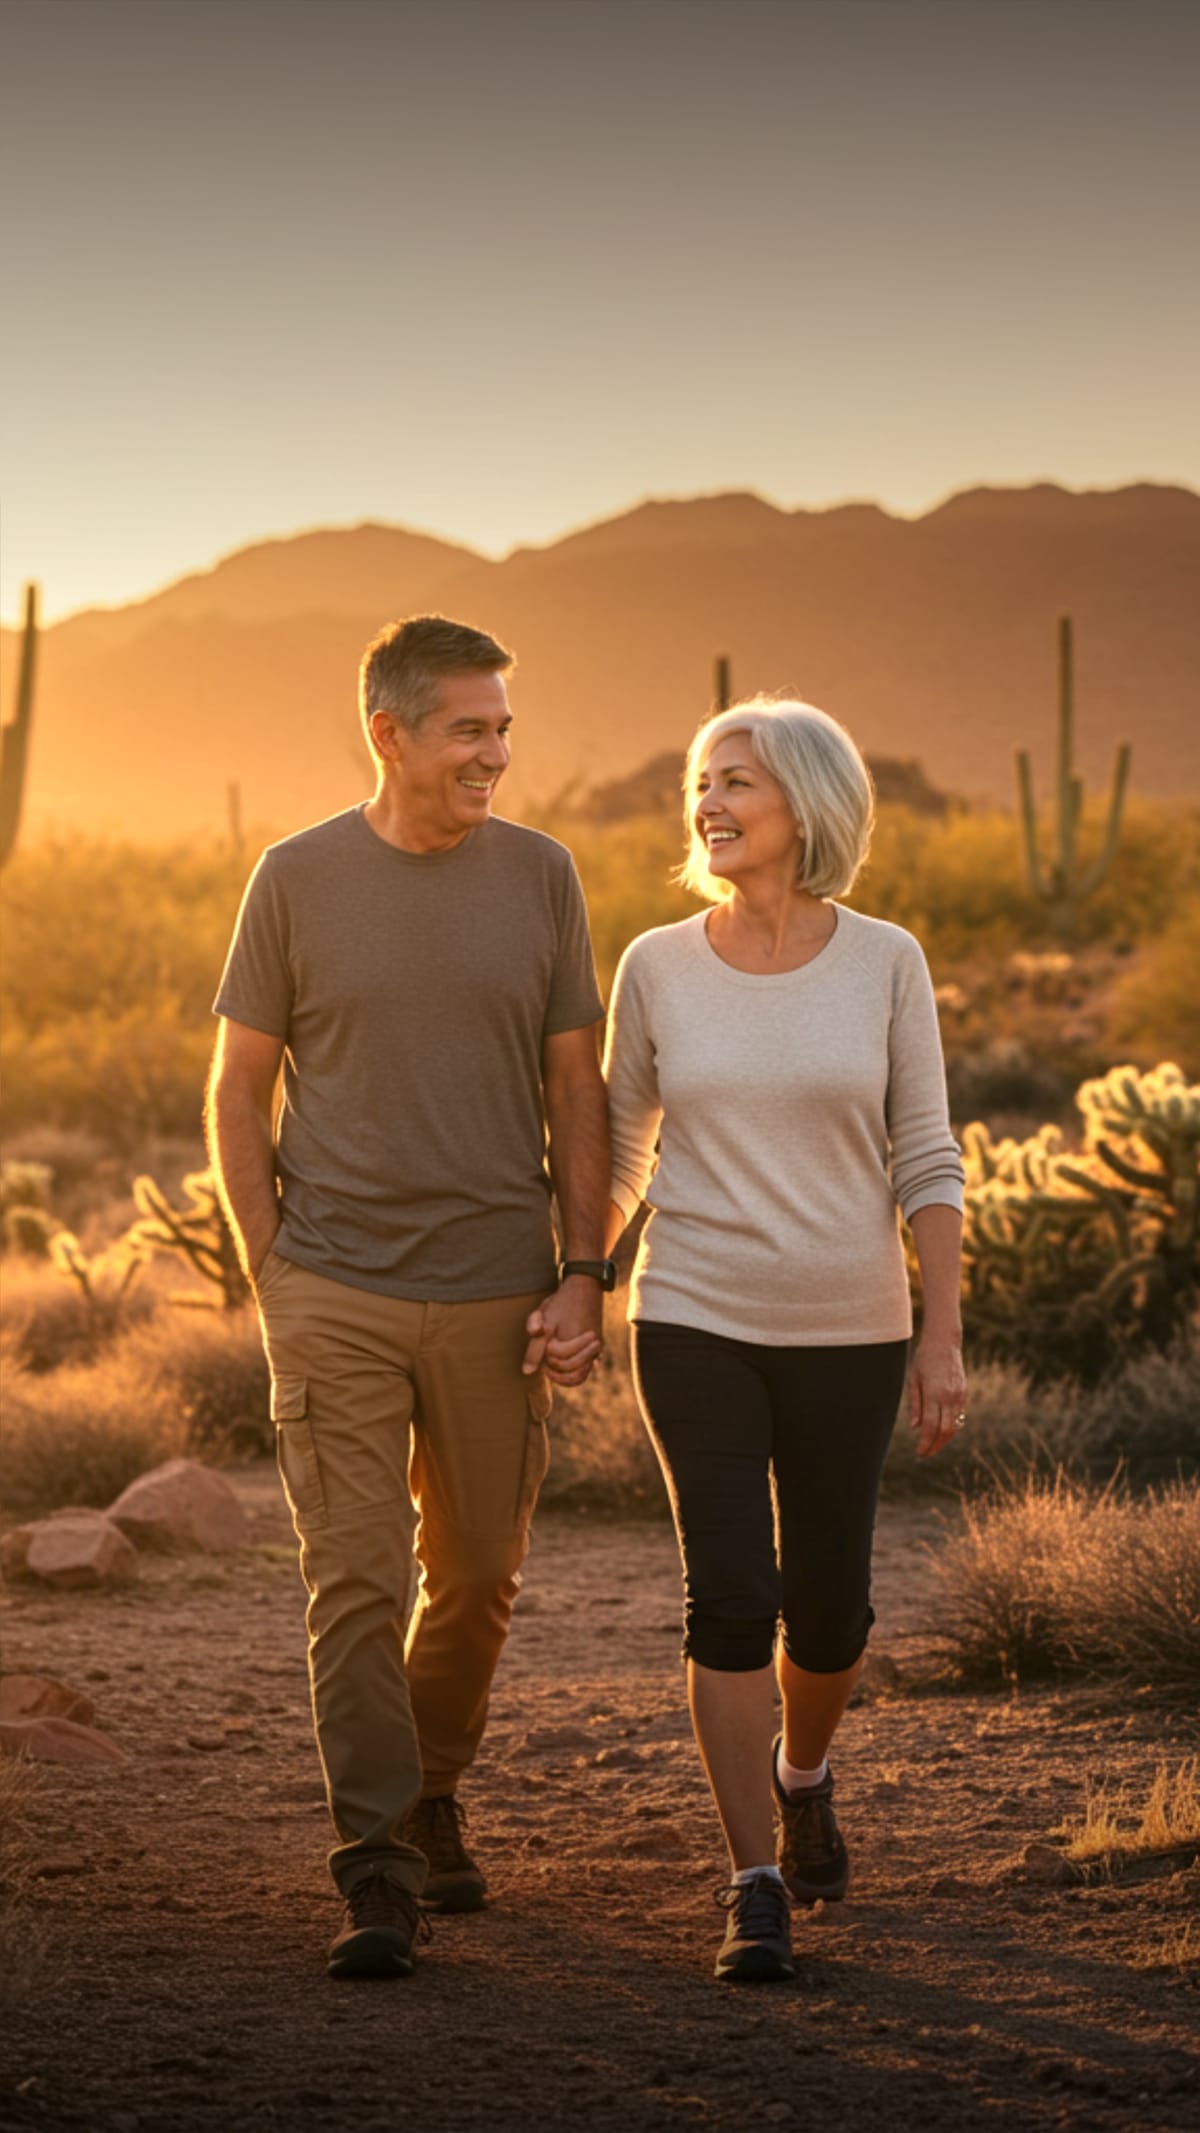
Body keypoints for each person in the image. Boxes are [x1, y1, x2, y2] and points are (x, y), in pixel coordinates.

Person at [206, 615, 612, 1980]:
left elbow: (576, 1090)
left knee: (482, 1575)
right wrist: (274, 1266)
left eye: (503, 726)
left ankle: (434, 1783)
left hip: (501, 1289)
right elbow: (236, 1087)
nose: (495, 751)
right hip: (337, 1290)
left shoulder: (543, 877)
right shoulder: (296, 878)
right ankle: (377, 1856)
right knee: (357, 1574)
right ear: (392, 733)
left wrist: (581, 1270)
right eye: (469, 730)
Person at [602, 696, 966, 1984]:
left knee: (829, 1611)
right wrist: (582, 1275)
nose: (708, 801)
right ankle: (752, 1880)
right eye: (701, 780)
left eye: (736, 780)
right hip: (692, 1311)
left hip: (851, 1325)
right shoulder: (654, 963)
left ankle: (804, 1775)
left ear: (805, 801)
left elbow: (925, 1152)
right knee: (730, 1596)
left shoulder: (885, 960)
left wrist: (940, 1335)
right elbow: (625, 1145)